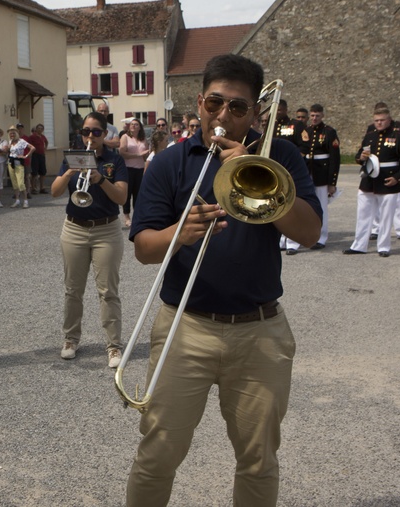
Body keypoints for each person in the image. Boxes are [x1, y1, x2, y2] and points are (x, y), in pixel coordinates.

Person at [125, 54, 321, 507]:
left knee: (258, 460)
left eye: (238, 107)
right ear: (200, 102)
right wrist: (180, 233)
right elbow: (143, 250)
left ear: (256, 113)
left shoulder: (281, 155)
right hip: (186, 327)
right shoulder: (170, 163)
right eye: (215, 102)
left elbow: (309, 233)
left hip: (260, 331)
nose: (223, 115)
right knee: (158, 454)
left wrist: (261, 173)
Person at [51, 111, 128, 368]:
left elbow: (121, 198)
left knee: (108, 292)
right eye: (86, 131)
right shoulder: (72, 156)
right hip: (74, 228)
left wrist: (100, 179)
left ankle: (114, 346)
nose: (90, 136)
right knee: (73, 290)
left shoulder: (114, 161)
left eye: (96, 132)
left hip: (106, 230)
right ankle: (71, 340)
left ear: (105, 134)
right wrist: (70, 172)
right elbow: (54, 192)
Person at [344, 107, 400, 257]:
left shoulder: (399, 137)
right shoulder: (369, 136)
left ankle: (383, 246)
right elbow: (359, 156)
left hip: (389, 180)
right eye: (376, 121)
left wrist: (398, 178)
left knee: (387, 216)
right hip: (369, 180)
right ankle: (359, 245)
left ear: (389, 120)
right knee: (363, 214)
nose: (379, 123)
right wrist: (360, 157)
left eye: (382, 120)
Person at [367, 103, 400, 243]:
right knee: (375, 201)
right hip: (377, 169)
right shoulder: (371, 128)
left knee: (398, 201)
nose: (379, 121)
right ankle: (376, 229)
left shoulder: (399, 127)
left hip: (395, 169)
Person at [273, 100, 311, 255]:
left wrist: (295, 162)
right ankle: (282, 239)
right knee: (279, 203)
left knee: (291, 202)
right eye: (276, 110)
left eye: (280, 110)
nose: (278, 112)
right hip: (276, 170)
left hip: (290, 169)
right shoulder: (272, 125)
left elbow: (305, 145)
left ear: (286, 110)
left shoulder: (296, 125)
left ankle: (293, 243)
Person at [303, 104, 340, 250]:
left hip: (322, 174)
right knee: (306, 206)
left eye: (317, 115)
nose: (314, 118)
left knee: (321, 206)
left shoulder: (329, 132)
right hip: (307, 172)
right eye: (312, 115)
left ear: (322, 116)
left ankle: (322, 237)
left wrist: (332, 182)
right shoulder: (306, 131)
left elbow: (334, 159)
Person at [119, 118, 150, 227]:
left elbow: (146, 154)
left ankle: (137, 216)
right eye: (132, 124)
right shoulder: (125, 137)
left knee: (138, 194)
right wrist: (138, 155)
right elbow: (122, 152)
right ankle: (127, 217)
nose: (133, 126)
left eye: (136, 124)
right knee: (127, 194)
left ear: (140, 127)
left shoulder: (144, 139)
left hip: (140, 169)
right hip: (128, 168)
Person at [6, 126, 34, 208]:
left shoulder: (21, 141)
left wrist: (26, 156)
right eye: (11, 133)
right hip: (11, 163)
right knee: (14, 183)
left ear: (17, 133)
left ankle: (25, 200)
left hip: (19, 163)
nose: (12, 135)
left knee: (21, 183)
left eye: (13, 133)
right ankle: (17, 200)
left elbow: (32, 148)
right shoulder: (10, 142)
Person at [26, 123, 49, 194]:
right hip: (35, 155)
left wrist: (45, 148)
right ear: (36, 129)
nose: (40, 130)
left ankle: (42, 187)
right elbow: (28, 145)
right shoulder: (32, 137)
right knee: (34, 172)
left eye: (41, 128)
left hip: (42, 155)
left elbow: (46, 142)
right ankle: (33, 188)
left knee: (43, 172)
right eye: (38, 128)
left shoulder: (43, 136)